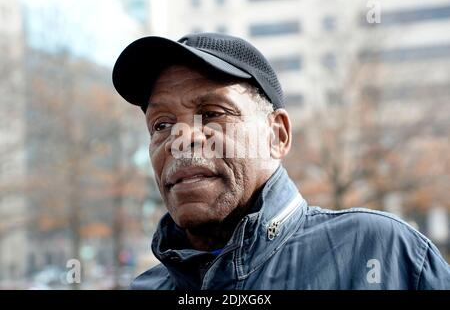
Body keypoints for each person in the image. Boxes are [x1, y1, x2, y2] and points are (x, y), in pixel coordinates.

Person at [112, 33, 450, 289]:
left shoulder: (383, 252)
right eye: (162, 125)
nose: (182, 140)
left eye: (212, 113)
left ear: (278, 135)